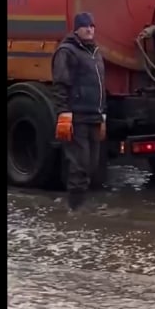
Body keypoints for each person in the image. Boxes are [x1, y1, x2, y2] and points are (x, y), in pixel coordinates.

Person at [51, 12, 107, 209]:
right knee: (79, 165)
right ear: (76, 29)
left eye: (92, 26)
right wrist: (63, 113)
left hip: (95, 116)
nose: (90, 29)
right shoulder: (66, 52)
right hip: (77, 117)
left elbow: (101, 86)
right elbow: (60, 84)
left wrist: (103, 113)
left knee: (92, 165)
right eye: (85, 26)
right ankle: (74, 211)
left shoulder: (95, 52)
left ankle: (80, 207)